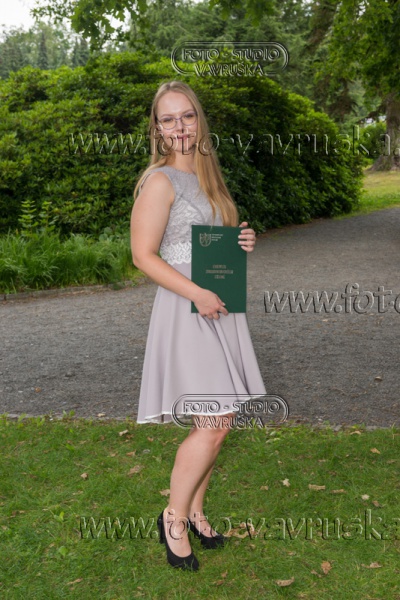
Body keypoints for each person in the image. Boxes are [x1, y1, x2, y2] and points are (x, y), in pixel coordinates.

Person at [130, 81, 266, 571]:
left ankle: (194, 511)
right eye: (168, 119)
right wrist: (197, 294)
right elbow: (143, 255)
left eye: (186, 116)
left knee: (220, 422)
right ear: (157, 128)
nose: (179, 127)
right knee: (212, 421)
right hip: (188, 307)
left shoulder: (208, 176)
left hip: (218, 307)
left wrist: (240, 240)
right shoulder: (159, 181)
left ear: (198, 120)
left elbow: (207, 243)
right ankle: (172, 517)